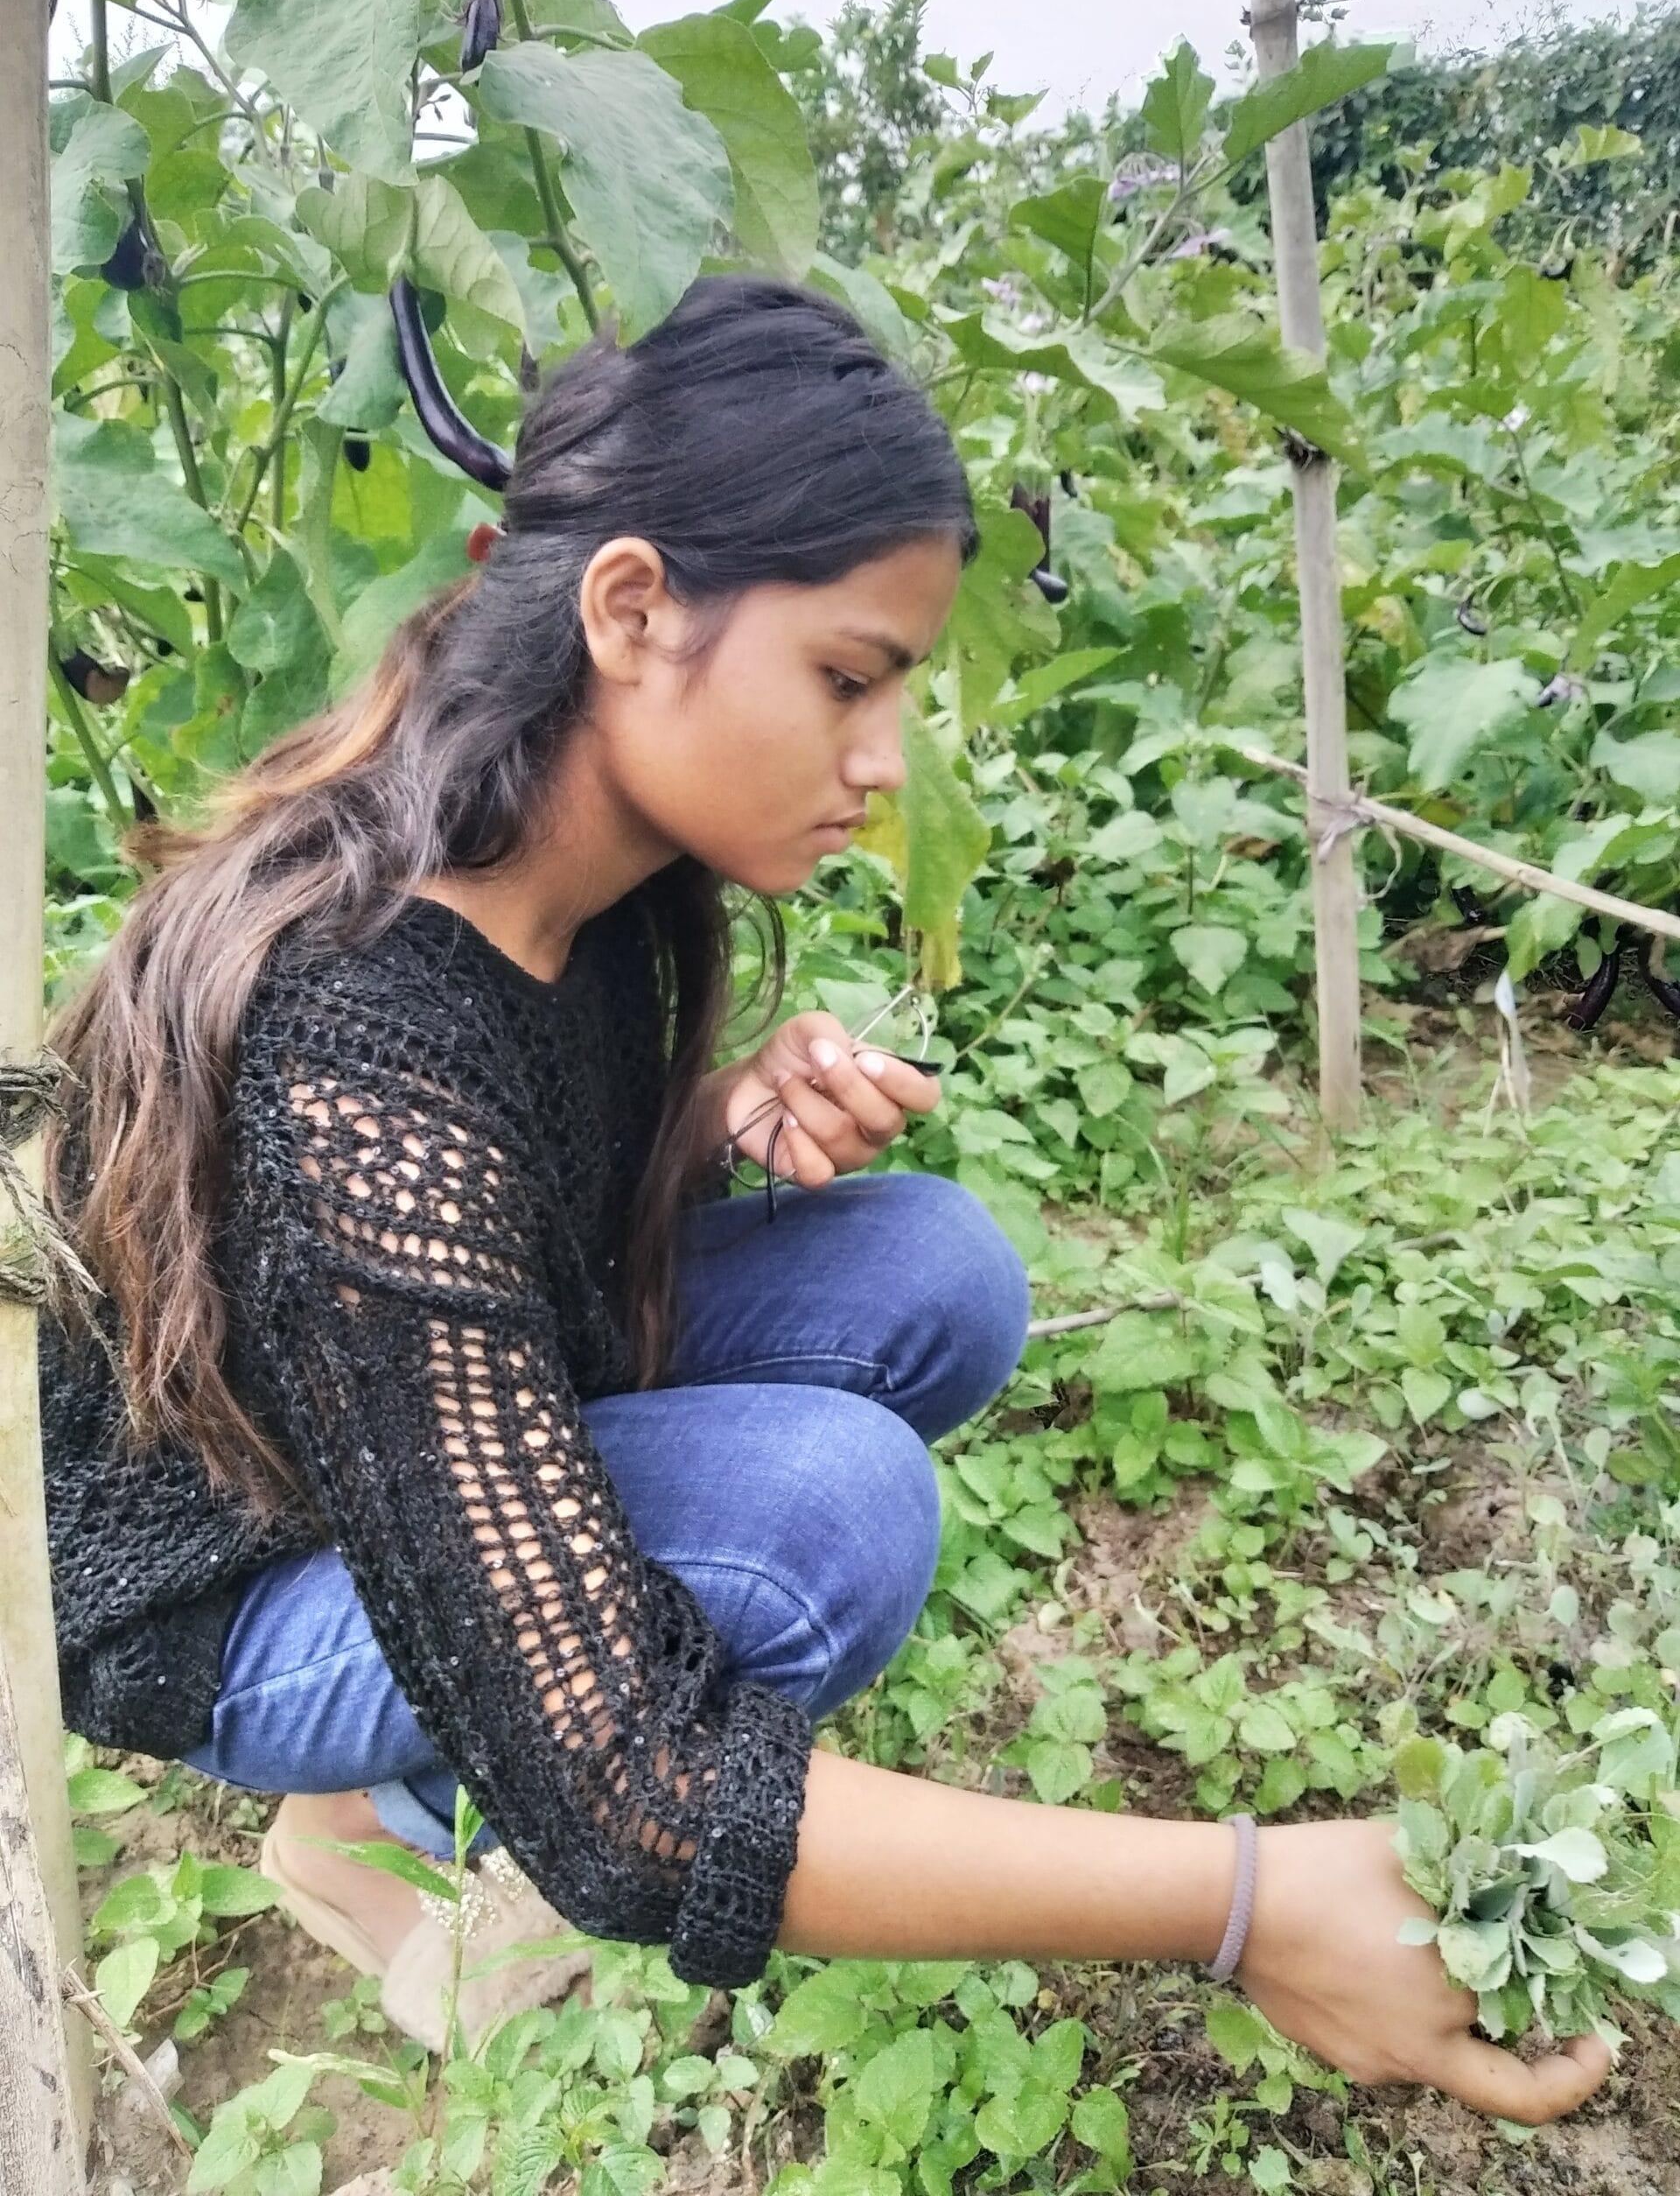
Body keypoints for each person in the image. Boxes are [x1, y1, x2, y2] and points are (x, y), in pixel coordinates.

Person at [42, 272, 1608, 2115]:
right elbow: (635, 1786)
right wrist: (1246, 1898)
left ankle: (395, 1749)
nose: (880, 762)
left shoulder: (590, 877)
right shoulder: (360, 1037)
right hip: (221, 1565)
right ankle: (360, 1822)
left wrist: (708, 1115)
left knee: (934, 1264)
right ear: (630, 608)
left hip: (380, 1410)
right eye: (847, 677)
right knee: (819, 1520)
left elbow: (506, 1176)